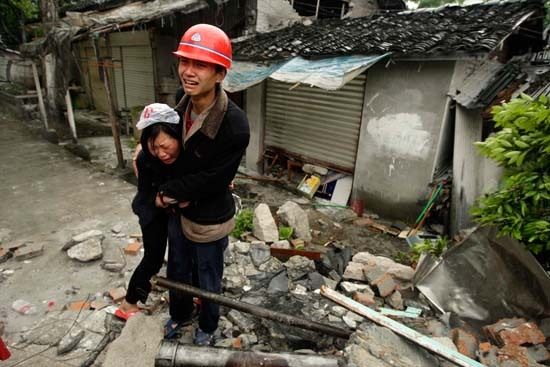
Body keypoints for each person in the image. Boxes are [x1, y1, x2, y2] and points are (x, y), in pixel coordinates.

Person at [155, 23, 250, 346]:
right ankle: (180, 314)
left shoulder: (234, 125)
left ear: (220, 73)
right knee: (178, 269)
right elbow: (163, 142)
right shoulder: (181, 104)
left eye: (200, 65)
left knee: (209, 278)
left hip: (209, 217)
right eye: (185, 61)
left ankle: (208, 326)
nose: (188, 72)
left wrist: (168, 193)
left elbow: (215, 179)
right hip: (177, 214)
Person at [116, 103, 188, 330]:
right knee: (154, 259)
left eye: (165, 146)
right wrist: (165, 199)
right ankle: (128, 304)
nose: (161, 153)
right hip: (151, 211)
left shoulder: (185, 152)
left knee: (183, 254)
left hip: (168, 210)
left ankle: (190, 294)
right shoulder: (146, 158)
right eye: (155, 147)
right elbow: (149, 195)